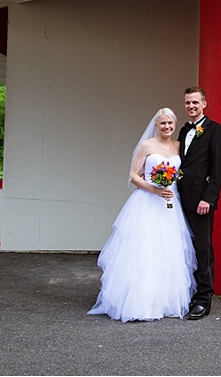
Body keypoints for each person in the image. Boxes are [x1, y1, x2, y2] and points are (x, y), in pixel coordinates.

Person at [87, 108, 196, 322]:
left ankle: (166, 301)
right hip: (147, 201)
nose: (166, 127)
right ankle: (139, 303)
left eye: (170, 124)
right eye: (163, 123)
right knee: (145, 250)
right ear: (156, 125)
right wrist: (155, 189)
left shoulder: (178, 146)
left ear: (175, 125)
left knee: (169, 251)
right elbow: (133, 176)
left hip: (171, 203)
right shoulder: (147, 146)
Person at [177, 87, 221, 320]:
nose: (191, 106)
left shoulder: (215, 130)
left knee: (203, 249)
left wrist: (208, 197)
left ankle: (204, 298)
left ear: (204, 104)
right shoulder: (183, 130)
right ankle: (187, 292)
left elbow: (218, 169)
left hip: (200, 201)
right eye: (188, 103)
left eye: (195, 102)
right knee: (184, 247)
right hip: (179, 198)